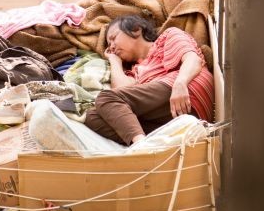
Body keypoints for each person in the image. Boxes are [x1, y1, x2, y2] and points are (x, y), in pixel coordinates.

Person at [84, 15, 214, 145]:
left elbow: (193, 59)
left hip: (188, 91)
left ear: (136, 29)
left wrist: (181, 83)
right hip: (171, 116)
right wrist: (114, 61)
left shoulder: (168, 36)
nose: (111, 47)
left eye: (113, 38)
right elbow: (120, 95)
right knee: (92, 117)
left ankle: (141, 146)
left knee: (105, 97)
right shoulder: (134, 71)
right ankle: (147, 141)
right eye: (109, 44)